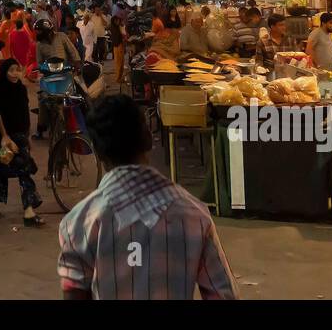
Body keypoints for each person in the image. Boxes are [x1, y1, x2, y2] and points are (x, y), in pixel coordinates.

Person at [57, 95, 237, 300]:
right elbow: (224, 294)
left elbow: (74, 293)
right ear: (148, 139)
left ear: (98, 152)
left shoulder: (78, 223)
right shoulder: (195, 215)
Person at [0, 59, 44, 226]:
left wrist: (27, 137)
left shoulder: (21, 89)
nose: (14, 74)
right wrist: (5, 137)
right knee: (0, 171)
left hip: (20, 137)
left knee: (24, 170)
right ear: (5, 72)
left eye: (17, 70)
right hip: (4, 138)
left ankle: (28, 211)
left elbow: (24, 113)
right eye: (11, 70)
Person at [109, 14, 127, 83]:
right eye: (117, 20)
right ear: (114, 21)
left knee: (120, 62)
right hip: (118, 46)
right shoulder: (115, 28)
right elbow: (119, 37)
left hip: (118, 46)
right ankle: (118, 78)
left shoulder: (115, 27)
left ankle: (119, 77)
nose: (118, 22)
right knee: (119, 62)